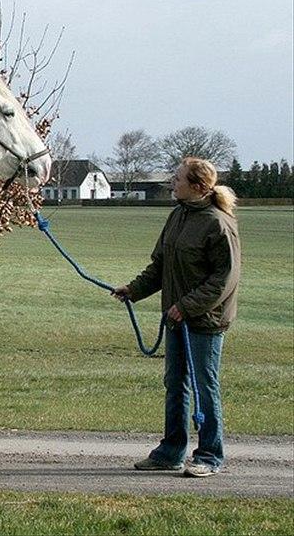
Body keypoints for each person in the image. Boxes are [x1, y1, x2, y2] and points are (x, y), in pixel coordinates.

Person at [112, 157, 241, 478]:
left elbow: (224, 279)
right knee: (175, 385)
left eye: (178, 178)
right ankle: (170, 452)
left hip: (205, 321)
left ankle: (210, 455)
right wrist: (133, 289)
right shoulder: (177, 215)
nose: (173, 181)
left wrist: (187, 305)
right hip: (177, 319)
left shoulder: (218, 223)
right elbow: (160, 266)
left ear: (197, 186)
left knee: (204, 386)